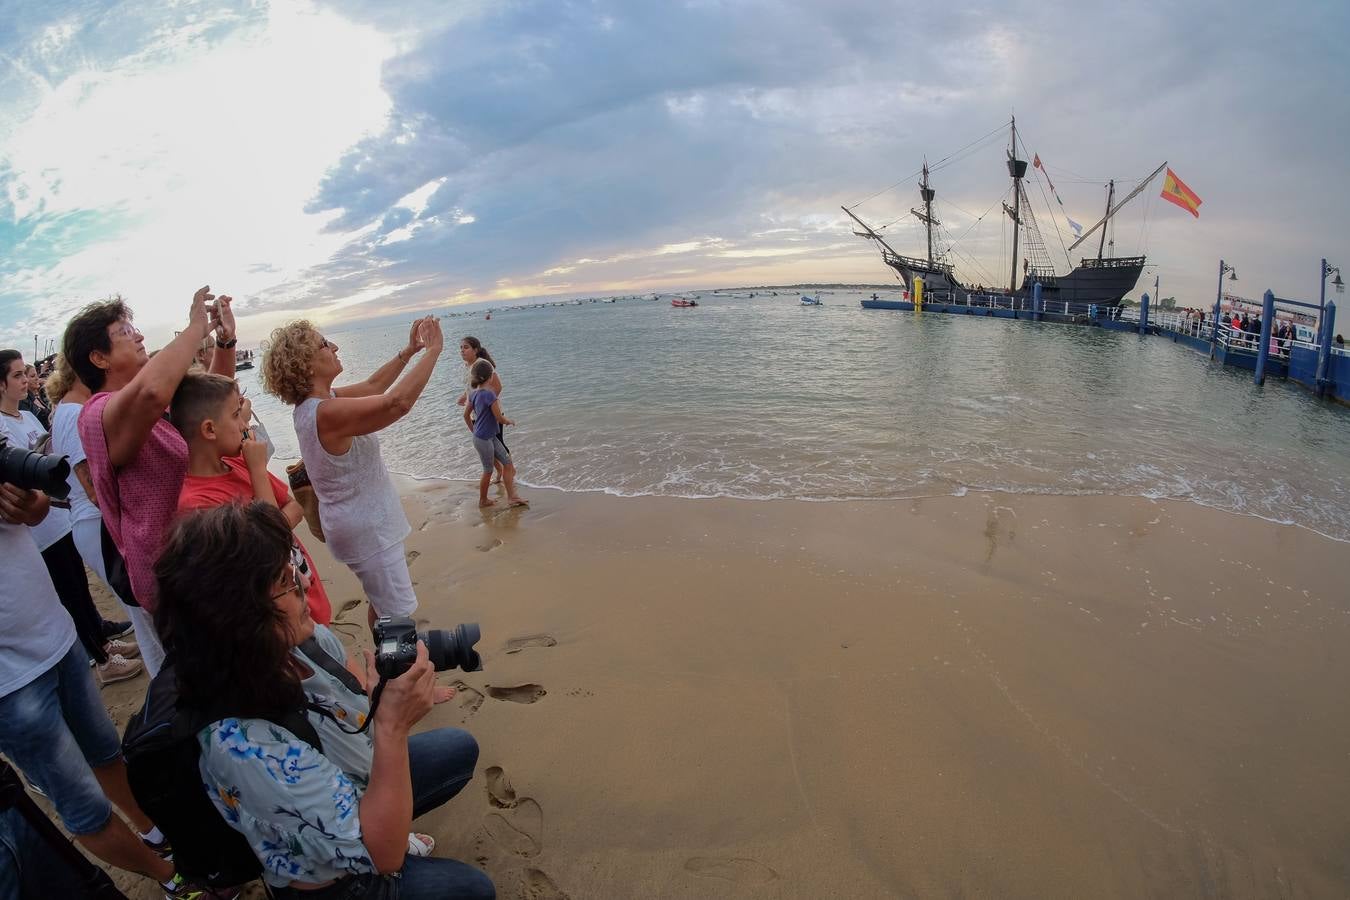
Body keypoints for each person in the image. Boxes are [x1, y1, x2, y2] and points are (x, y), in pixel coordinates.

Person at [154, 502, 492, 898]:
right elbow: (384, 856)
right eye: (285, 580)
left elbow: (355, 725)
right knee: (472, 890)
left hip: (348, 786)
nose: (305, 581)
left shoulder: (299, 645)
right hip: (326, 881)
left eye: (295, 565)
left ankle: (385, 824)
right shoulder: (245, 748)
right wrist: (393, 727)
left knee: (457, 748)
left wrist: (381, 700)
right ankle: (367, 859)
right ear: (239, 616)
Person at [0, 481, 198, 898]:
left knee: (106, 751)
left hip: (56, 634)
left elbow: (39, 510)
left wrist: (24, 500)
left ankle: (154, 831)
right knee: (83, 805)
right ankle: (170, 877)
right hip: (10, 687)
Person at [65, 287, 234, 620]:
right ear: (99, 358)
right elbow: (151, 392)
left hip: (209, 556)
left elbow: (213, 405)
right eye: (126, 332)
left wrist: (225, 340)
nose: (139, 335)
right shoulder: (94, 415)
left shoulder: (159, 400)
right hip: (175, 576)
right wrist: (197, 328)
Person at [261, 317, 440, 628]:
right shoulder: (325, 413)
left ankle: (388, 668)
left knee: (383, 605)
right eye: (324, 344)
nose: (334, 346)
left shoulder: (320, 404)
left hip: (360, 525)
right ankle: (396, 671)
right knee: (397, 618)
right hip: (368, 531)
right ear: (306, 364)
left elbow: (374, 387)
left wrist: (409, 351)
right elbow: (396, 404)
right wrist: (434, 351)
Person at [0, 350, 140, 686]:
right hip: (41, 534)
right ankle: (102, 659)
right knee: (70, 592)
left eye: (24, 374)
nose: (25, 381)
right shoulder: (1, 426)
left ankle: (102, 639)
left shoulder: (27, 418)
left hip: (56, 517)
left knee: (79, 586)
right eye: (17, 376)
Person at [170, 372, 332, 625]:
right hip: (280, 619)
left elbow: (295, 507)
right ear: (209, 429)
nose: (245, 425)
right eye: (236, 415)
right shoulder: (197, 504)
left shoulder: (238, 460)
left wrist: (270, 527)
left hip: (305, 593)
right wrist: (257, 471)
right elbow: (265, 545)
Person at [46, 356, 164, 678]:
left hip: (96, 524)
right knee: (148, 618)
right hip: (99, 525)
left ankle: (166, 688)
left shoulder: (72, 409)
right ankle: (169, 693)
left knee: (144, 618)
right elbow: (93, 487)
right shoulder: (73, 414)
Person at [464, 360, 526, 509]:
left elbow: (466, 415)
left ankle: (512, 497)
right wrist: (509, 421)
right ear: (490, 377)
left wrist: (474, 431)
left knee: (508, 464)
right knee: (488, 470)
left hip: (486, 437)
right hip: (484, 439)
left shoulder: (473, 394)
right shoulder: (490, 396)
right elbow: (499, 418)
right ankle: (483, 500)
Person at [456, 337, 505, 485]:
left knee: (499, 447)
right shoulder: (466, 367)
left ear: (475, 350)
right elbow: (474, 387)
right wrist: (465, 397)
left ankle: (509, 474)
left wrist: (485, 406)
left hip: (491, 415)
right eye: (461, 348)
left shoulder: (483, 364)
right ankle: (499, 472)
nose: (462, 350)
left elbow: (497, 387)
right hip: (474, 415)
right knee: (485, 447)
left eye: (466, 347)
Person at [19, 365, 51, 431]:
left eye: (36, 375)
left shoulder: (36, 397)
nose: (37, 378)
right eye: (32, 376)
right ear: (24, 379)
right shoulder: (23, 402)